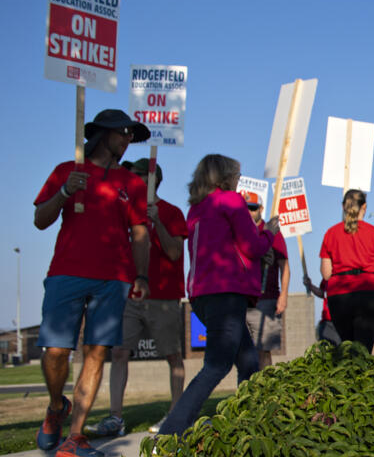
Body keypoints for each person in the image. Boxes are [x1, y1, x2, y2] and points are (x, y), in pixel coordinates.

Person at [33, 109, 151, 457]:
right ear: (102, 133)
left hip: (113, 278)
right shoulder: (65, 171)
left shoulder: (133, 184)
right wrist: (64, 193)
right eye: (123, 133)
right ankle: (57, 405)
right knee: (54, 351)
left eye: (132, 134)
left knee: (97, 352)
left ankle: (74, 436)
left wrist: (141, 275)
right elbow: (40, 219)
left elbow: (140, 232)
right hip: (66, 272)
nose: (128, 140)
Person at [158, 155, 279, 437]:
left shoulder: (197, 207)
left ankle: (251, 422)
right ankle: (171, 431)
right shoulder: (230, 201)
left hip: (202, 294)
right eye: (236, 175)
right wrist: (269, 234)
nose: (239, 181)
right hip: (226, 292)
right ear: (224, 177)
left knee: (249, 363)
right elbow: (251, 246)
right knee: (216, 365)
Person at [88, 158, 187, 438]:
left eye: (137, 175)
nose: (130, 179)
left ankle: (176, 414)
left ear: (152, 178)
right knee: (119, 353)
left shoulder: (172, 212)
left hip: (164, 295)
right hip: (128, 294)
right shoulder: (124, 209)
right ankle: (115, 417)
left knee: (173, 356)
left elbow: (175, 253)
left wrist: (156, 221)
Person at [318, 189, 374, 353]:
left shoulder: (331, 234)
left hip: (339, 295)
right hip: (369, 294)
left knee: (347, 347)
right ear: (364, 207)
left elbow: (326, 273)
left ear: (343, 207)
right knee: (364, 350)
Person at [244, 194, 289, 369]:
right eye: (246, 208)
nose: (249, 212)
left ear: (261, 209)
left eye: (253, 208)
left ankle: (266, 388)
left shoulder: (272, 233)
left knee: (264, 350)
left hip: (266, 297)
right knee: (244, 352)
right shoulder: (240, 231)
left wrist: (283, 294)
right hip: (245, 298)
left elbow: (284, 265)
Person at [301, 277, 342, 345]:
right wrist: (310, 286)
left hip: (344, 321)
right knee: (326, 351)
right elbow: (322, 293)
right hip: (328, 322)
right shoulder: (327, 276)